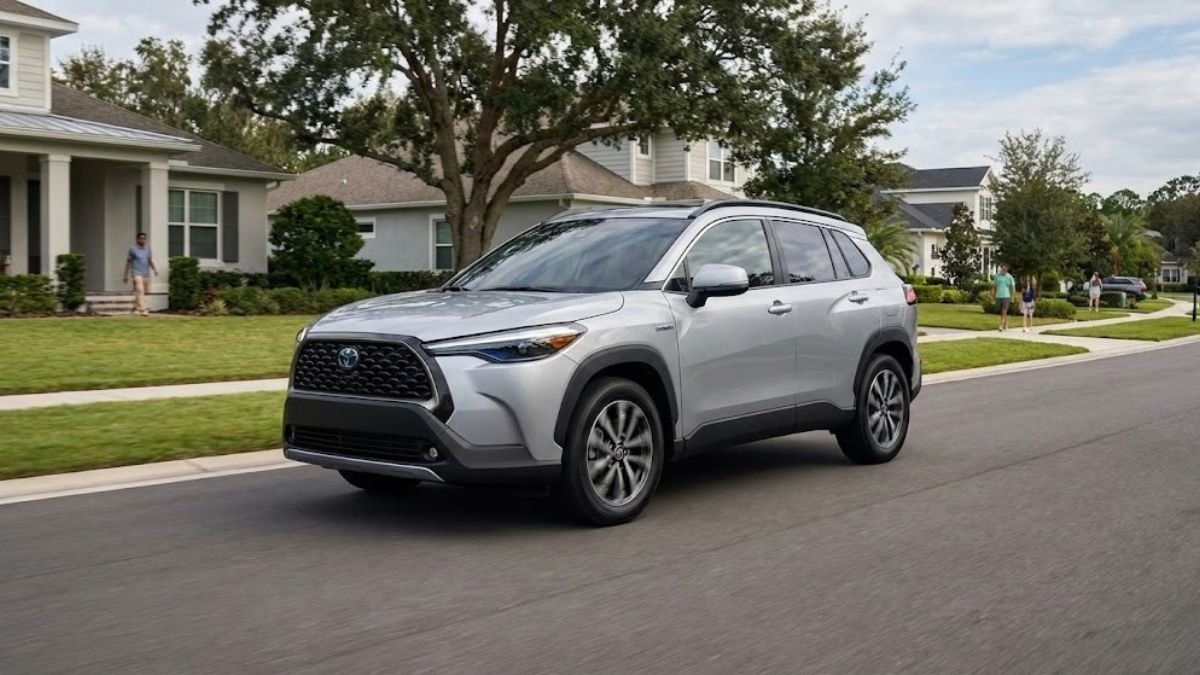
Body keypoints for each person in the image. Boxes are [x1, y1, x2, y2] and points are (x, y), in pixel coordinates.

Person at [123, 232, 158, 316]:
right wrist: (125, 275)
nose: (143, 240)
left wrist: (154, 269)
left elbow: (149, 260)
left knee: (140, 292)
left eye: (144, 238)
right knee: (140, 290)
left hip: (145, 273)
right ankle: (143, 309)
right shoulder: (132, 249)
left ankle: (135, 308)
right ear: (137, 239)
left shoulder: (147, 249)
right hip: (136, 273)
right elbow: (128, 262)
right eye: (141, 238)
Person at [992, 264, 1016, 331]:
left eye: (1005, 270)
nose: (1003, 271)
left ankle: (1001, 326)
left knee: (1004, 311)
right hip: (998, 296)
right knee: (1002, 312)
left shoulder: (1009, 277)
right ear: (1001, 269)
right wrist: (993, 297)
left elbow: (1012, 288)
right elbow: (994, 286)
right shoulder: (997, 276)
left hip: (1006, 296)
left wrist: (1012, 297)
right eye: (1002, 269)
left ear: (1007, 270)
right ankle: (1006, 324)